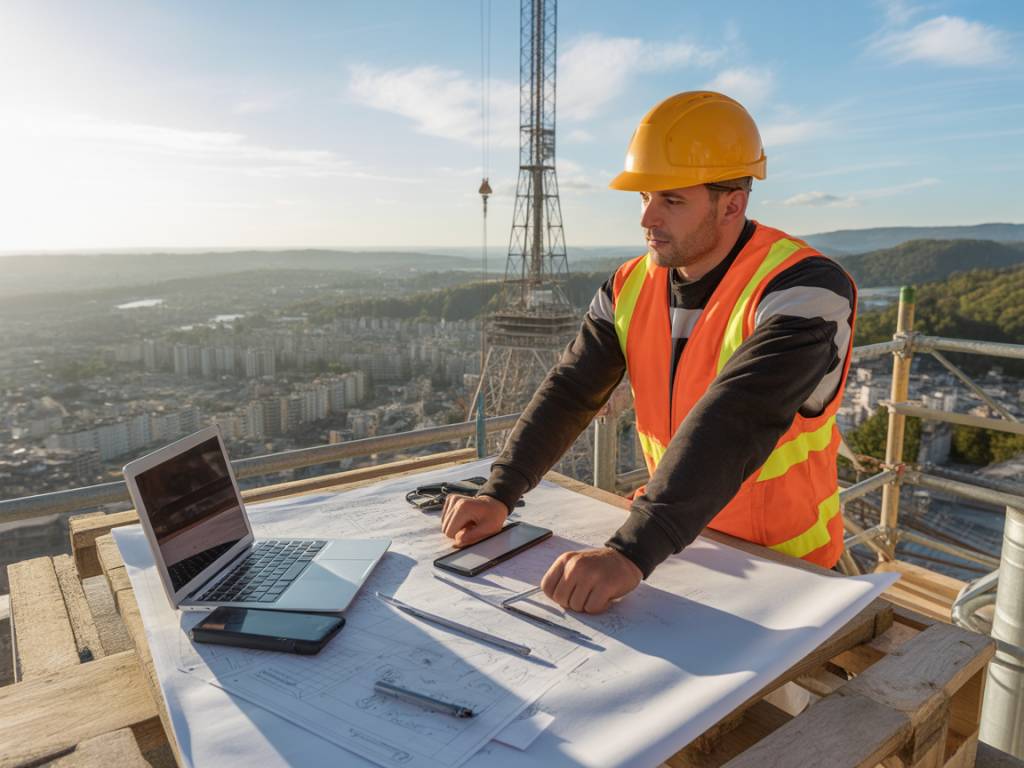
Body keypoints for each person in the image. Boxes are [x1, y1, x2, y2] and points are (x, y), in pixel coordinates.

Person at [441, 91, 856, 614]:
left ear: (732, 204)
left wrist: (629, 551)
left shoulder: (807, 290)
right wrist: (499, 491)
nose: (647, 218)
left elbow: (738, 417)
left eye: (672, 201)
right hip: (679, 551)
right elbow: (571, 390)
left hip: (786, 570)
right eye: (643, 197)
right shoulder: (628, 287)